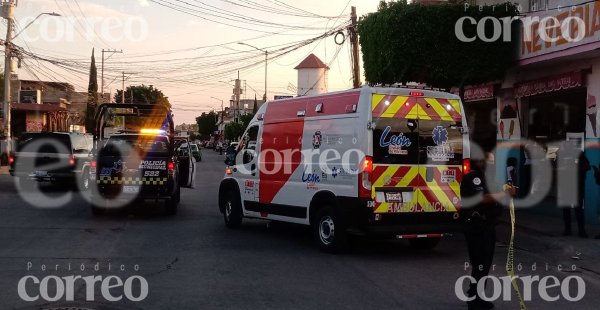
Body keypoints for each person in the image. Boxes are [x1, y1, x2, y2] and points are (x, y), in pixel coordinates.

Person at [461, 152, 516, 310]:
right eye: (489, 161)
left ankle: (477, 294)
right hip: (476, 227)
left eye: (493, 162)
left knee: (485, 264)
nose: (492, 165)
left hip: (488, 226)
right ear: (480, 161)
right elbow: (483, 198)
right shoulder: (473, 177)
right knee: (479, 264)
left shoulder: (488, 178)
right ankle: (474, 299)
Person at [561, 151, 589, 238]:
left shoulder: (581, 158)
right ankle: (569, 230)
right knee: (568, 210)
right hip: (567, 189)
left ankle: (580, 231)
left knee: (578, 210)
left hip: (577, 189)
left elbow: (587, 167)